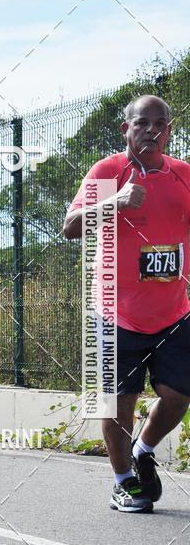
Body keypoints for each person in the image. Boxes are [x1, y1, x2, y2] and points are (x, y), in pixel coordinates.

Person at [63, 95, 190, 512]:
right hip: (116, 312)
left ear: (169, 131)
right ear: (126, 130)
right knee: (119, 402)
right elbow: (71, 227)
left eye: (160, 124)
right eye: (142, 123)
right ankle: (122, 481)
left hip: (173, 312)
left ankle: (143, 451)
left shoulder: (184, 176)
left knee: (177, 396)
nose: (151, 130)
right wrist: (112, 203)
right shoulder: (107, 172)